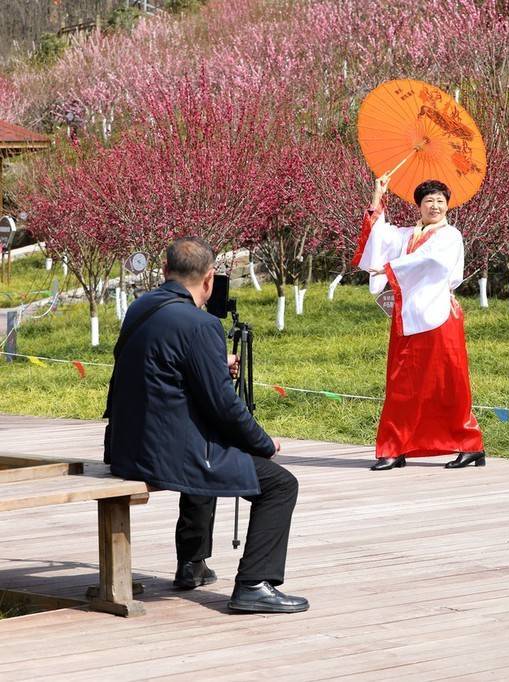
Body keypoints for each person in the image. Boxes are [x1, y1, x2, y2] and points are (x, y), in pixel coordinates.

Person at [104, 237, 308, 614]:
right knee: (280, 484)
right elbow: (224, 408)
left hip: (125, 448)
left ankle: (192, 563)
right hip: (164, 453)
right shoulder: (202, 324)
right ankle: (254, 585)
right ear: (210, 279)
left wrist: (214, 362)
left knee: (212, 453)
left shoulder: (141, 308)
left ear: (165, 272)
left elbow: (165, 367)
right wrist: (264, 444)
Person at [352, 176, 485, 471]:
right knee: (401, 383)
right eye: (429, 201)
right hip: (407, 314)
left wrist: (389, 268)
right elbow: (378, 236)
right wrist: (378, 195)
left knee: (448, 381)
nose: (435, 206)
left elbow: (431, 262)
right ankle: (394, 447)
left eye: (440, 201)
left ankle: (469, 444)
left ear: (447, 206)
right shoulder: (405, 235)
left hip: (439, 316)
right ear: (419, 206)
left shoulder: (450, 236)